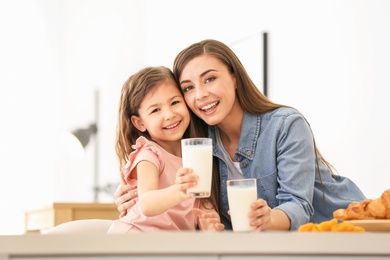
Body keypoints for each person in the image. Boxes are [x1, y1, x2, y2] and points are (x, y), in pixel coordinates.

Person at [115, 39, 366, 231]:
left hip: (340, 231)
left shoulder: (286, 125)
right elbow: (168, 184)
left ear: (234, 78)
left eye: (210, 79)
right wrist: (131, 196)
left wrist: (268, 219)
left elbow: (299, 205)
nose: (200, 94)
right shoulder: (199, 144)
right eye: (188, 88)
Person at [107, 66, 223, 233]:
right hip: (136, 234)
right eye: (155, 110)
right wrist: (180, 190)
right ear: (139, 123)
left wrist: (209, 221)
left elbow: (200, 204)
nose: (169, 114)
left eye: (175, 102)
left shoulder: (195, 154)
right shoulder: (148, 154)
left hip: (168, 243)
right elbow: (147, 204)